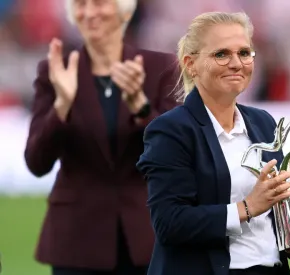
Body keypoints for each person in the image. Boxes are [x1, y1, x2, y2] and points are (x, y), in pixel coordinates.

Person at [136, 12, 290, 275]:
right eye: (221, 54)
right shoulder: (170, 130)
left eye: (245, 53)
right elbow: (169, 223)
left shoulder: (263, 122)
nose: (236, 63)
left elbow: (270, 214)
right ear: (191, 64)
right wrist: (247, 208)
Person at [23, 0, 180, 274]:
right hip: (76, 243)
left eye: (100, 3)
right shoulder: (54, 71)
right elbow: (37, 162)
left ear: (125, 11)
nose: (90, 12)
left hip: (145, 237)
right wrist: (62, 105)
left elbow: (178, 155)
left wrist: (141, 108)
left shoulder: (161, 68)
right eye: (81, 4)